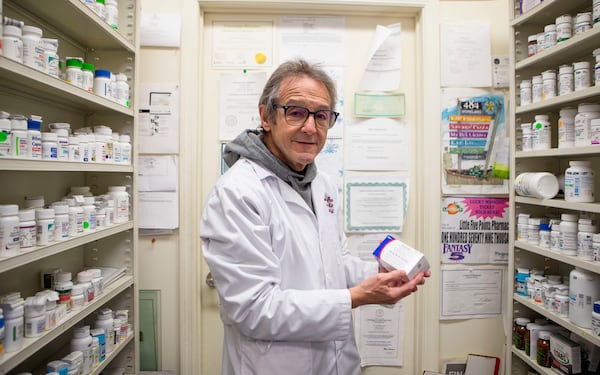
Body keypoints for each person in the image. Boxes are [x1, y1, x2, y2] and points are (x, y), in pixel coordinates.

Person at [200, 58, 430, 375]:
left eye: (321, 116)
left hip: (336, 362)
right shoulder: (237, 193)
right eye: (296, 112)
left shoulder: (321, 183)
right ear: (266, 116)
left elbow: (335, 261)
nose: (310, 127)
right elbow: (255, 308)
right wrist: (356, 297)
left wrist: (377, 273)